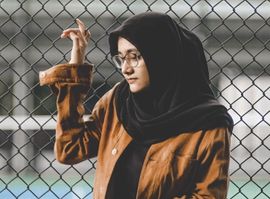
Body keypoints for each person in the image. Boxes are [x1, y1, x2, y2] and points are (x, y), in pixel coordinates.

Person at [39, 12, 233, 199]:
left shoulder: (209, 123)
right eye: (121, 59)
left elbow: (208, 195)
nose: (126, 68)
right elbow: (69, 149)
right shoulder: (118, 101)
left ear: (161, 56)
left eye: (135, 57)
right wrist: (76, 67)